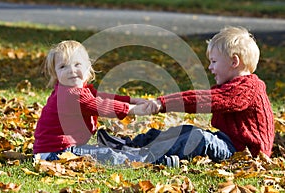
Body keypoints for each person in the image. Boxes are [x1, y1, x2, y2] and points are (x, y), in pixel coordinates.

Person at [98, 26, 275, 163]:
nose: (210, 67)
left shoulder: (249, 88)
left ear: (234, 62)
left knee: (199, 139)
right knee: (187, 131)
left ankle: (143, 155)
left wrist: (162, 103)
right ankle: (134, 143)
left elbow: (204, 100)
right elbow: (203, 96)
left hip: (245, 153)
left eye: (214, 61)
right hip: (230, 144)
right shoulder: (233, 86)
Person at [33, 40, 151, 164]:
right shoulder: (70, 95)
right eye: (63, 66)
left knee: (105, 150)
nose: (71, 70)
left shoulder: (75, 89)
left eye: (77, 64)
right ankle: (152, 160)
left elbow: (101, 97)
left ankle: (140, 150)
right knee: (107, 154)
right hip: (56, 152)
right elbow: (101, 106)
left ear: (88, 67)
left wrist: (131, 100)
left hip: (60, 149)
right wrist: (133, 109)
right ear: (55, 74)